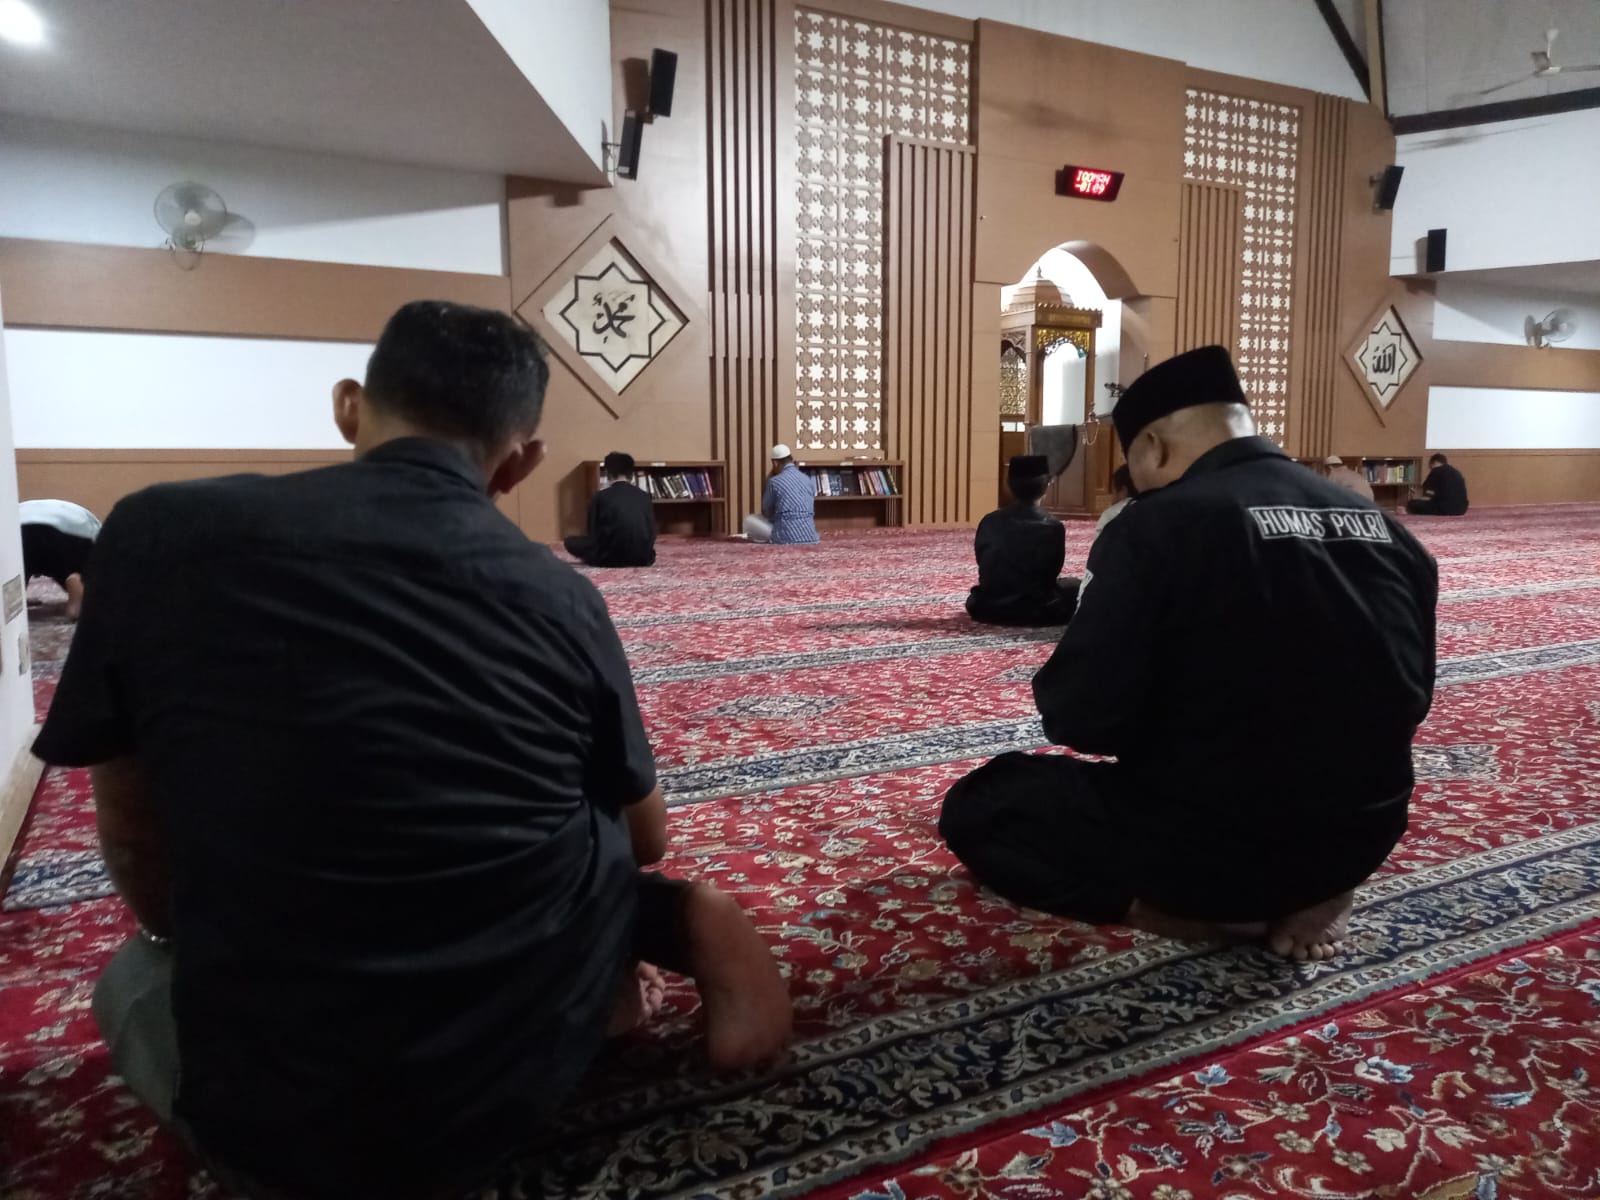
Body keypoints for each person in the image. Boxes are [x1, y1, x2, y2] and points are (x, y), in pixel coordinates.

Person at [34, 300, 791, 1200]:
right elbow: (647, 837)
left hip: (278, 1124)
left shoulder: (157, 537)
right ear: (522, 461)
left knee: (131, 977)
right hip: (523, 1073)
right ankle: (649, 936)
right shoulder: (559, 598)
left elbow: (133, 836)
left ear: (348, 407)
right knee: (587, 801)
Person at [939, 345, 1438, 962]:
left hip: (1211, 849)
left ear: (1152, 447)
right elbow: (1413, 698)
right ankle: (1318, 889)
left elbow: (1082, 719)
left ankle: (1200, 920)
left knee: (986, 803)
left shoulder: (1158, 525)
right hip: (1363, 836)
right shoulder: (1385, 527)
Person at [965, 455, 1079, 626]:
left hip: (988, 608)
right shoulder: (1053, 526)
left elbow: (983, 561)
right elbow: (1052, 571)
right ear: (1047, 485)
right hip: (1038, 611)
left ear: (1008, 484)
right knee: (1077, 587)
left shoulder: (989, 521)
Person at [565, 450, 657, 567]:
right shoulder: (645, 496)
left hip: (608, 558)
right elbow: (651, 532)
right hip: (642, 558)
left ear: (608, 474)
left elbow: (592, 532)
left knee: (570, 542)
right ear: (631, 474)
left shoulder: (599, 497)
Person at [21, 498, 102, 620]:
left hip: (20, 526)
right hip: (70, 526)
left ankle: (18, 595)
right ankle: (76, 582)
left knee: (18, 569)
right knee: (71, 566)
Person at [744, 443, 819, 545]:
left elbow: (766, 511)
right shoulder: (807, 479)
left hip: (785, 537)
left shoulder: (774, 482)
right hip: (810, 536)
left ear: (775, 463)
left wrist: (769, 478)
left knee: (749, 520)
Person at [1094, 464, 1137, 536]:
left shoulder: (1109, 515)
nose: (1112, 497)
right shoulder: (1151, 510)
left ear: (1123, 491)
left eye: (1113, 492)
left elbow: (1099, 540)